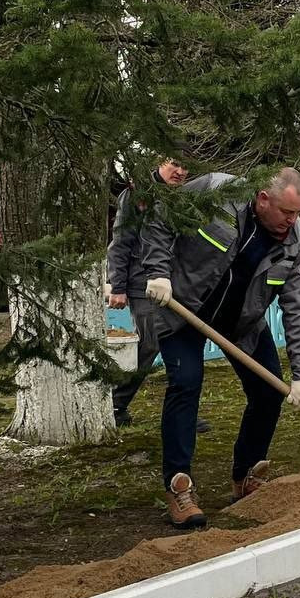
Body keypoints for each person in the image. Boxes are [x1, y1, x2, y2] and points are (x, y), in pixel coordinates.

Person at [142, 167, 300, 529]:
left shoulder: (298, 241)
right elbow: (161, 216)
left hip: (241, 323)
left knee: (269, 391)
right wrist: (158, 271)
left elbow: (299, 308)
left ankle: (246, 475)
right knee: (186, 383)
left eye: (298, 212)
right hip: (184, 309)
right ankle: (179, 486)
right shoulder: (216, 193)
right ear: (263, 199)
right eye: (287, 212)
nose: (293, 220)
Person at [107, 159, 204, 429]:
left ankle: (184, 412)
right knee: (149, 344)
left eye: (186, 167)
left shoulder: (186, 196)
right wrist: (118, 286)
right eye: (175, 164)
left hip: (176, 284)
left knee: (181, 346)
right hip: (143, 284)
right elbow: (121, 241)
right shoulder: (137, 194)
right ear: (161, 160)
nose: (181, 172)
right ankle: (115, 403)